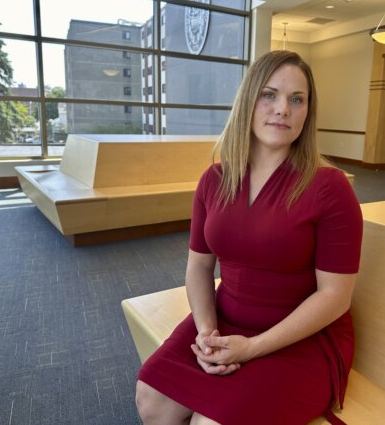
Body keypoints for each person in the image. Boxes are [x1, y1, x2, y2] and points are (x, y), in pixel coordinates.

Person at [135, 50, 363, 425]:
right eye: (269, 95)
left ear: (308, 112)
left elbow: (335, 297)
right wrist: (208, 331)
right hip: (225, 319)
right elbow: (199, 265)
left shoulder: (329, 188)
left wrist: (253, 348)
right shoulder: (214, 179)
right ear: (248, 101)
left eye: (296, 99)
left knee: (209, 423)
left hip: (301, 337)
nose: (283, 109)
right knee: (152, 399)